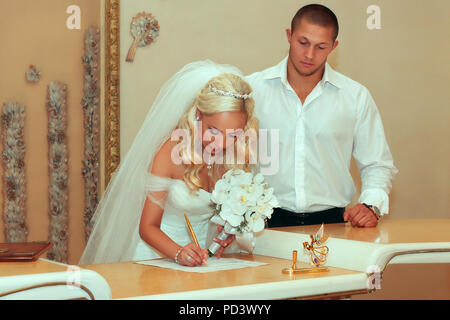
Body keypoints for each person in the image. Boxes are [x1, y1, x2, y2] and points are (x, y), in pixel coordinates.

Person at [79, 61, 258, 265]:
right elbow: (147, 227)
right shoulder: (169, 152)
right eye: (213, 131)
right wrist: (178, 252)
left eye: (233, 135)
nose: (221, 143)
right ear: (198, 115)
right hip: (157, 257)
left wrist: (229, 232)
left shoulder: (235, 156)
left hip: (205, 261)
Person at [245, 4, 398, 228]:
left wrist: (371, 204)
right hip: (263, 225)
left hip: (333, 224)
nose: (309, 54)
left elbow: (377, 163)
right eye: (303, 42)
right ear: (289, 36)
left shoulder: (355, 96)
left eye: (321, 47)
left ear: (334, 46)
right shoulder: (252, 90)